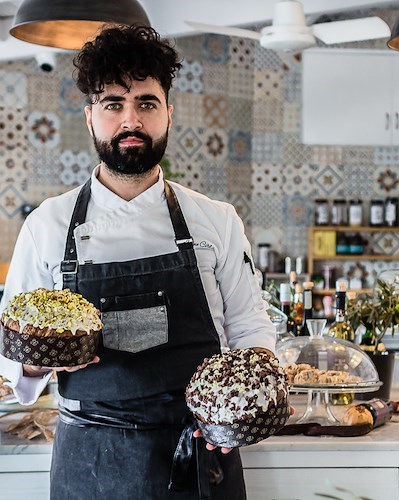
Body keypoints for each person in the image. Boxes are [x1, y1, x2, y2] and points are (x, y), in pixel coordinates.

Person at [0, 25, 276, 499]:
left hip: (198, 454)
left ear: (168, 113)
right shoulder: (47, 226)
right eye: (113, 105)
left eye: (146, 103)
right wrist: (34, 364)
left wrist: (246, 410)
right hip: (89, 461)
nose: (131, 120)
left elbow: (250, 330)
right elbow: (11, 352)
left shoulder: (216, 221)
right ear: (90, 117)